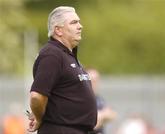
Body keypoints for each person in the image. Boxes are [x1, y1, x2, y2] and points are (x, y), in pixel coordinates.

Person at [28, 6, 97, 134]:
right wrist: (39, 117)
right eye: (74, 22)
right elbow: (36, 97)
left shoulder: (67, 55)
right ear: (58, 30)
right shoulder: (52, 54)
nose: (80, 26)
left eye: (79, 21)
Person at [86, 68, 117, 134]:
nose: (95, 83)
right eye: (92, 80)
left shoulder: (99, 98)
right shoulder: (81, 100)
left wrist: (100, 116)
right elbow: (91, 124)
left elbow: (112, 114)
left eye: (96, 80)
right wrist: (103, 115)